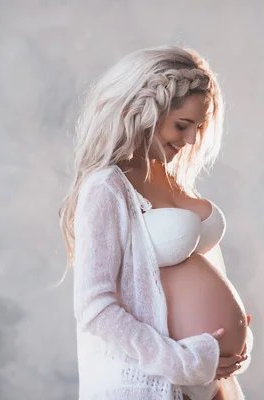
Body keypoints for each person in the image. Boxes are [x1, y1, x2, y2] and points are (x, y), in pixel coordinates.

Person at [59, 45, 254, 400]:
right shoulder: (106, 188)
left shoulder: (171, 178)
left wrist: (237, 342)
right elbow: (95, 310)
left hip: (210, 387)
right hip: (150, 384)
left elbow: (201, 276)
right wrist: (185, 362)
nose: (192, 139)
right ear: (144, 111)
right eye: (182, 125)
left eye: (198, 127)